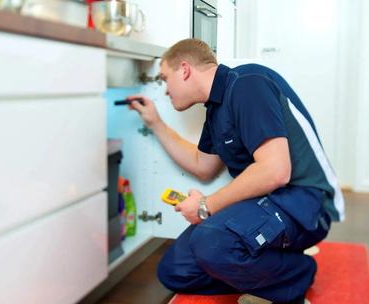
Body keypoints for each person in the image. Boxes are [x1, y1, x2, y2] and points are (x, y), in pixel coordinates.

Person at [126, 39, 344, 304]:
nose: (165, 90)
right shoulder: (215, 110)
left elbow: (276, 171)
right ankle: (277, 266)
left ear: (184, 69)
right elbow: (202, 166)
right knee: (175, 269)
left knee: (211, 241)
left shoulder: (247, 84)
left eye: (164, 78)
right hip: (266, 204)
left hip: (305, 204)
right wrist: (156, 123)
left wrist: (205, 206)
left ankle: (298, 275)